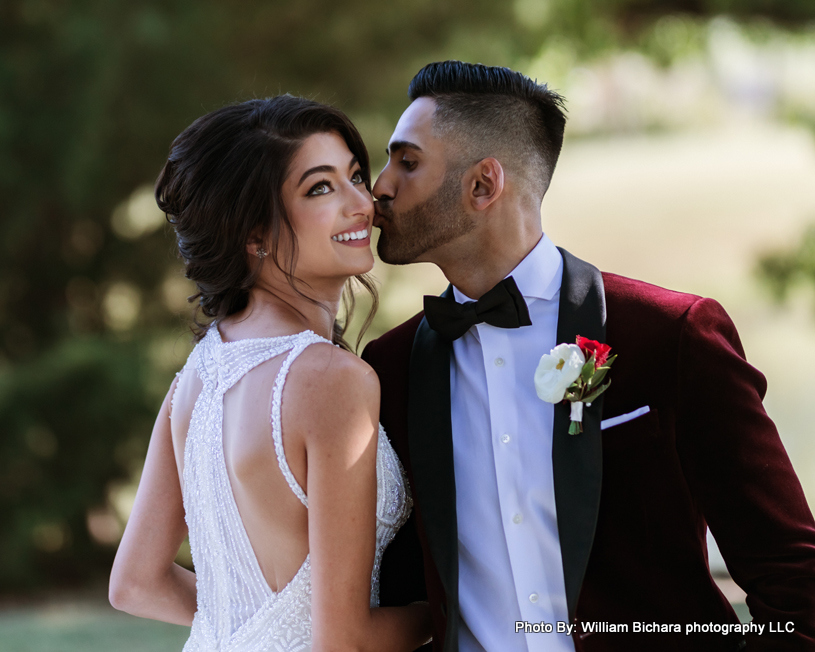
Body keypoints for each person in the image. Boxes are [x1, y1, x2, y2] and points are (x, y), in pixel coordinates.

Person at [362, 61, 815, 652]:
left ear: (482, 185)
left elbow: (792, 574)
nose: (380, 186)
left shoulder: (671, 337)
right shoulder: (389, 368)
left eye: (407, 161)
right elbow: (394, 591)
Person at [108, 95, 432, 652]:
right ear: (253, 236)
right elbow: (345, 642)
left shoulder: (201, 370)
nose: (364, 202)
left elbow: (136, 583)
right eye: (320, 188)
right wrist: (452, 610)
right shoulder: (332, 379)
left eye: (355, 176)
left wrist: (255, 630)